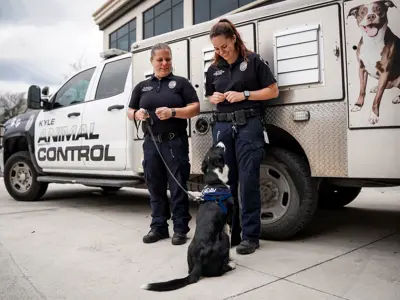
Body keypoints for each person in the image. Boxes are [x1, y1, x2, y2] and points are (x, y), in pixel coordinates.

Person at [205, 19, 279, 255]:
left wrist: (244, 94)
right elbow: (209, 96)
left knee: (248, 181)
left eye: (224, 46)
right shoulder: (213, 68)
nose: (220, 52)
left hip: (248, 124)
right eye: (216, 48)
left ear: (234, 39)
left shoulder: (253, 61)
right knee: (227, 182)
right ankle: (233, 233)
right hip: (223, 128)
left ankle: (250, 236)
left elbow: (273, 90)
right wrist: (214, 99)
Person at [128, 43, 200, 246]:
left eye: (167, 59)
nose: (164, 63)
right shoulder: (142, 87)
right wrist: (137, 114)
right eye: (159, 59)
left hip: (174, 142)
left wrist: (173, 112)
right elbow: (130, 110)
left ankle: (180, 229)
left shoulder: (180, 83)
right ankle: (158, 227)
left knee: (177, 186)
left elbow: (195, 108)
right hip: (151, 143)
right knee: (155, 185)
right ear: (152, 61)